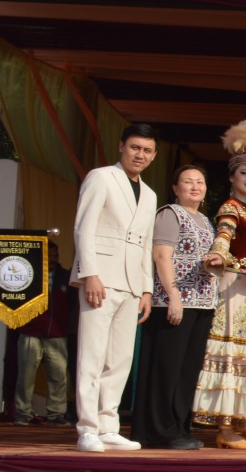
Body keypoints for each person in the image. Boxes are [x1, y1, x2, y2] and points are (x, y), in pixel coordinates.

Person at [69, 123, 158, 453]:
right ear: (122, 146)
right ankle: (87, 427)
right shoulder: (101, 176)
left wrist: (147, 289)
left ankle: (108, 425)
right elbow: (84, 227)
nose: (140, 155)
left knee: (120, 359)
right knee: (91, 355)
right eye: (135, 147)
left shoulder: (149, 194)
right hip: (101, 278)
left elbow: (147, 241)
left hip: (132, 283)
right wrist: (89, 272)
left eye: (147, 150)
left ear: (154, 155)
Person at [194, 121, 246, 449]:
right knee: (231, 354)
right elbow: (224, 236)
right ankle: (226, 429)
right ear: (231, 179)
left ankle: (237, 424)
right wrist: (218, 254)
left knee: (245, 355)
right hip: (233, 286)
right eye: (244, 175)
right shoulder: (230, 208)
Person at [132, 163, 217, 450]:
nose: (195, 186)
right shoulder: (170, 214)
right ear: (176, 188)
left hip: (202, 303)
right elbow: (161, 255)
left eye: (200, 181)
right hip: (173, 301)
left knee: (187, 369)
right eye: (188, 181)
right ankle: (159, 430)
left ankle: (179, 427)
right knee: (166, 368)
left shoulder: (206, 220)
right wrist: (173, 295)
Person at [14, 240, 73, 425]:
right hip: (31, 333)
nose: (53, 259)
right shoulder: (29, 275)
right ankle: (23, 414)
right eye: (49, 255)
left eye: (55, 255)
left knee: (59, 377)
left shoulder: (66, 276)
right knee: (26, 376)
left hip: (57, 335)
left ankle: (56, 414)